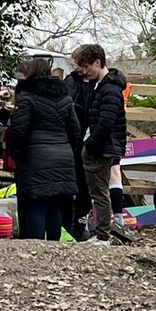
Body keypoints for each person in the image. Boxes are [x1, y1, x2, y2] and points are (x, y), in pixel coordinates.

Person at [7, 57, 80, 241]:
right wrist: (66, 148)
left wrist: (15, 153)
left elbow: (18, 131)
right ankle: (54, 246)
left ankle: (36, 247)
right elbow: (75, 130)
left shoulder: (26, 97)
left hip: (35, 158)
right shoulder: (65, 97)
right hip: (63, 156)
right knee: (54, 206)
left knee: (35, 205)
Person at [78, 43, 127, 245]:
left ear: (97, 62)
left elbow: (106, 122)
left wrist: (90, 144)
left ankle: (103, 235)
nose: (84, 70)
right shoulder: (102, 86)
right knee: (97, 191)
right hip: (101, 145)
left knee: (99, 192)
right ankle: (100, 233)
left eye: (86, 66)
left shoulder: (110, 89)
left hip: (101, 147)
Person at [62, 45, 96, 238]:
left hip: (88, 142)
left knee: (86, 188)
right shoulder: (70, 82)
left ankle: (80, 224)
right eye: (77, 64)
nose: (78, 68)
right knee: (68, 186)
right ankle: (66, 225)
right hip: (70, 142)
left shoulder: (99, 84)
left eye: (82, 64)